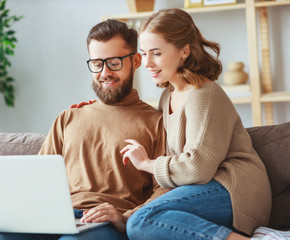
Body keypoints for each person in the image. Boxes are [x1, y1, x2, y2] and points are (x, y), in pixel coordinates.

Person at [0, 19, 168, 240]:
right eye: (97, 63)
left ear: (136, 61)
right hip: (53, 218)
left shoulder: (157, 122)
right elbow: (38, 180)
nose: (105, 72)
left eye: (114, 62)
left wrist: (125, 217)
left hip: (105, 223)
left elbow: (164, 189)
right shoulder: (68, 117)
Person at [118, 8, 284, 240]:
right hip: (204, 187)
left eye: (156, 53)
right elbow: (177, 168)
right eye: (144, 54)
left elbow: (198, 167)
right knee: (139, 221)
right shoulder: (168, 96)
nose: (147, 63)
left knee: (142, 222)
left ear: (184, 51)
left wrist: (147, 163)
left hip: (235, 188)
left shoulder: (203, 94)